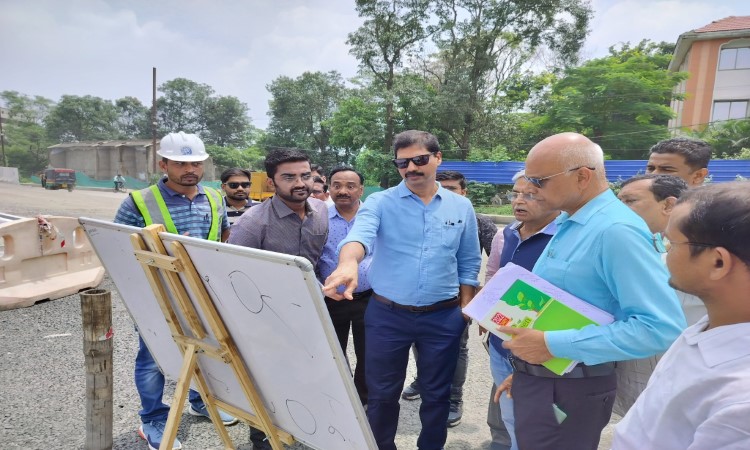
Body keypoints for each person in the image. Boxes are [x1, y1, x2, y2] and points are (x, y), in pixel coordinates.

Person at [498, 132, 685, 450]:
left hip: (570, 390)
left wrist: (551, 345)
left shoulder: (615, 231)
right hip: (547, 381)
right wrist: (531, 370)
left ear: (582, 176)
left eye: (539, 181)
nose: (530, 189)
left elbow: (660, 327)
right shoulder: (573, 222)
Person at [323, 130, 481, 450]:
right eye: (402, 162)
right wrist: (347, 263)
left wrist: (465, 310)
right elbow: (359, 238)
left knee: (437, 395)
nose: (411, 168)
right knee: (381, 395)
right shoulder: (381, 203)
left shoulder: (460, 207)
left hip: (442, 317)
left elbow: (468, 260)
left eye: (419, 160)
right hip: (387, 315)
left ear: (437, 158)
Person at [113, 131, 235, 450]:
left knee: (203, 350)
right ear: (163, 163)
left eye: (195, 162)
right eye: (181, 163)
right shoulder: (139, 201)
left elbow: (222, 238)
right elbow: (115, 248)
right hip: (157, 295)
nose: (189, 169)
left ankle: (199, 400)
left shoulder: (214, 197)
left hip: (201, 294)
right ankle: (153, 417)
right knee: (153, 358)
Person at [612, 181, 750, 449]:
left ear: (717, 262)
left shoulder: (740, 403)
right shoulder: (706, 330)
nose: (664, 253)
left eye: (670, 243)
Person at [227, 148, 328, 450]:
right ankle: (263, 440)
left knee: (309, 379)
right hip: (265, 322)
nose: (300, 183)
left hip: (310, 316)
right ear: (271, 182)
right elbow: (231, 277)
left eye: (305, 175)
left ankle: (302, 432)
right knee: (266, 385)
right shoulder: (253, 223)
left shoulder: (321, 211)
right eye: (289, 177)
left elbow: (319, 260)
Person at [401, 170, 498, 428]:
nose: (445, 192)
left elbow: (497, 266)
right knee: (418, 343)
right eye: (440, 187)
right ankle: (423, 380)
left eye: (452, 188)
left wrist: (481, 304)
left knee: (457, 349)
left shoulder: (480, 223)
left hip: (457, 299)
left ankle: (454, 398)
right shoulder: (420, 218)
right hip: (419, 297)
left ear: (464, 192)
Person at [482, 170, 560, 450]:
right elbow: (496, 277)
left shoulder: (566, 238)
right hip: (503, 347)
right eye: (516, 194)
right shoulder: (507, 235)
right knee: (511, 417)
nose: (518, 201)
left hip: (544, 351)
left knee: (540, 426)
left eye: (530, 195)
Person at [316, 166, 372, 406]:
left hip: (369, 299)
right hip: (329, 299)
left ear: (361, 189)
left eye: (350, 186)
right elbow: (311, 257)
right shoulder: (318, 218)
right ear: (329, 187)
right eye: (337, 185)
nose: (343, 191)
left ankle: (363, 401)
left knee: (369, 354)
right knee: (332, 353)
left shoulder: (372, 219)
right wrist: (320, 286)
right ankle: (340, 400)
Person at [646, 137, 712, 187]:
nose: (653, 175)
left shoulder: (716, 204)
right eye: (651, 168)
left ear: (698, 176)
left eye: (666, 169)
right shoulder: (639, 203)